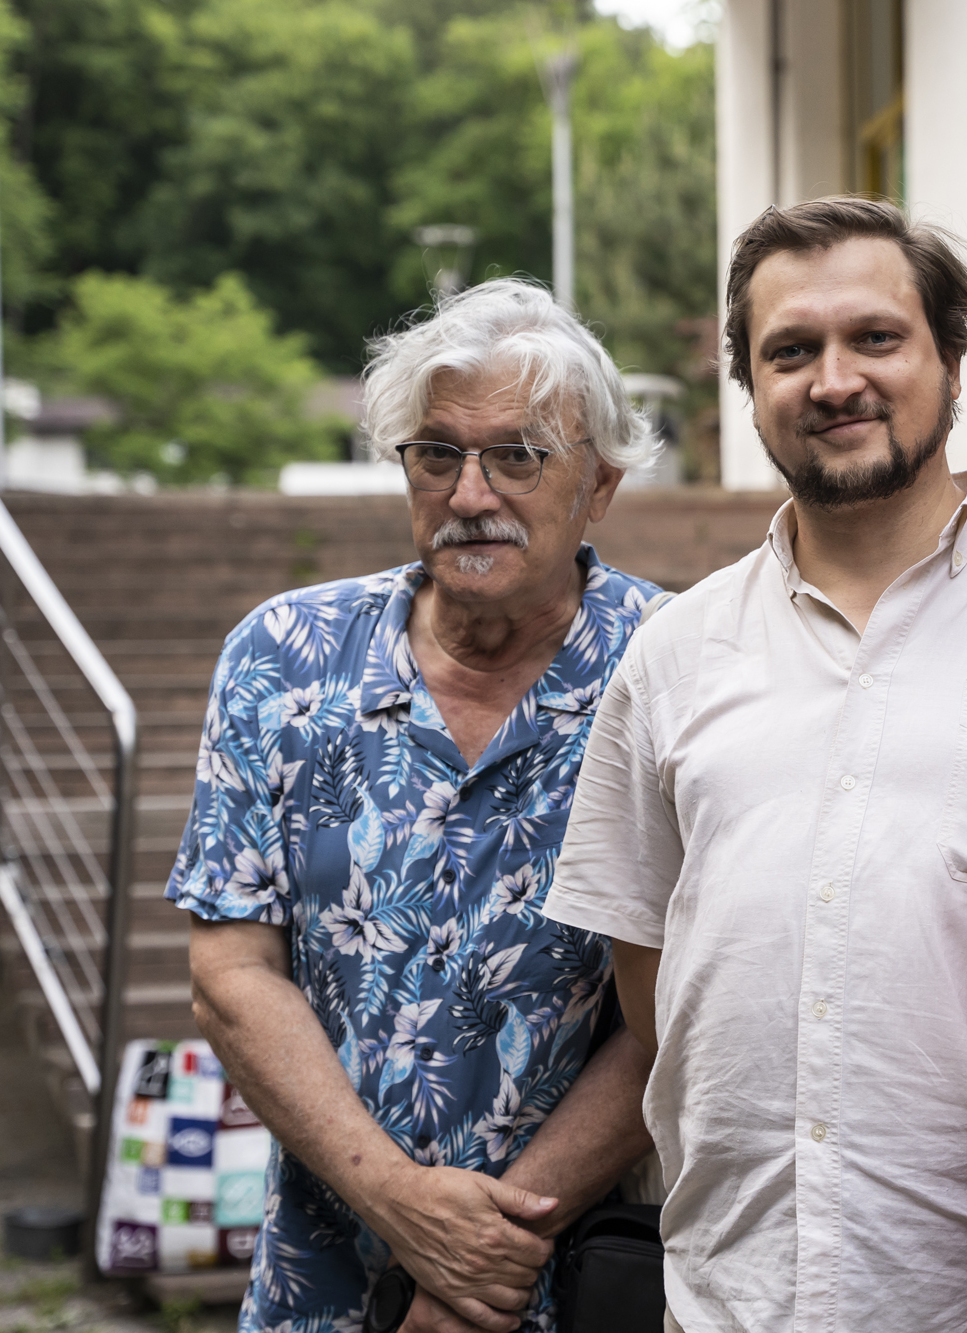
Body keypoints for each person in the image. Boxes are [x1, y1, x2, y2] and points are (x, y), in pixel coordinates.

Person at [542, 196, 967, 1333]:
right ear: (749, 388)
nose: (834, 381)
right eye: (790, 351)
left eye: (876, 338)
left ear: (951, 363)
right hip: (727, 1295)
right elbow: (650, 965)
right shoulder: (673, 653)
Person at [173, 279, 665, 1333]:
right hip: (319, 1280)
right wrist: (400, 1204)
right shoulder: (284, 656)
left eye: (519, 456)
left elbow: (680, 1010)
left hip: (569, 1283)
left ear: (600, 484)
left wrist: (473, 1263)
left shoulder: (676, 670)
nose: (470, 493)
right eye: (437, 453)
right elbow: (230, 973)